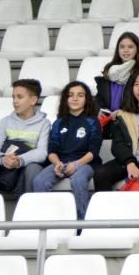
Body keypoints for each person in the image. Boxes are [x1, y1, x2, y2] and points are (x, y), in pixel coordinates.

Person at [31, 81, 101, 219]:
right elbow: (52, 149)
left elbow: (94, 151)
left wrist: (76, 164)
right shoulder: (59, 122)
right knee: (39, 181)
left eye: (80, 95)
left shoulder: (92, 121)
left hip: (85, 163)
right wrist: (57, 163)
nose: (75, 98)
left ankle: (82, 224)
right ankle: (46, 221)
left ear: (86, 99)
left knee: (78, 180)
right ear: (65, 99)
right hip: (61, 162)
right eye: (71, 95)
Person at [0, 79, 49, 196]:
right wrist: (3, 159)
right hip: (5, 163)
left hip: (26, 164)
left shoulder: (44, 123)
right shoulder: (5, 121)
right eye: (13, 97)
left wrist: (19, 160)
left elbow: (42, 152)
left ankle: (27, 209)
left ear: (33, 100)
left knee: (33, 169)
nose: (15, 101)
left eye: (19, 97)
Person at [96, 31, 139, 113]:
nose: (126, 50)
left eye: (130, 47)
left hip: (133, 119)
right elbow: (99, 99)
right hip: (109, 121)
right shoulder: (109, 71)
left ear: (137, 49)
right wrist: (99, 111)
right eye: (122, 47)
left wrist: (124, 113)